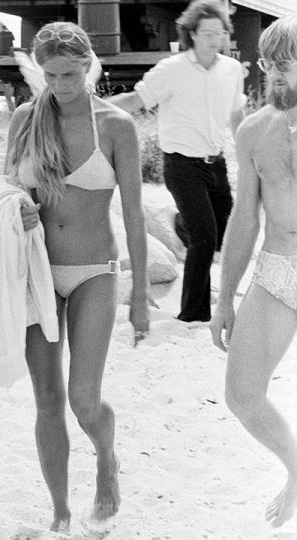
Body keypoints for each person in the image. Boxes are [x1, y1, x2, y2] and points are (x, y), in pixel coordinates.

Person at [5, 22, 150, 533]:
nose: (61, 84)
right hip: (37, 273)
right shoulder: (26, 118)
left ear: (89, 67)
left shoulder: (115, 126)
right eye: (50, 75)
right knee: (47, 399)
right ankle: (61, 513)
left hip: (94, 271)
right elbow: (4, 190)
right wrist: (16, 209)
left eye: (70, 73)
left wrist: (139, 296)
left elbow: (133, 213)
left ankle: (106, 462)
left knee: (83, 400)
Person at [210, 15, 297, 529]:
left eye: (286, 66)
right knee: (242, 394)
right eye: (269, 65)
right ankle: (295, 465)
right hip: (277, 272)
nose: (276, 77)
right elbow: (245, 219)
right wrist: (225, 298)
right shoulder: (253, 129)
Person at [107, 0, 246, 322]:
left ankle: (181, 223)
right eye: (207, 33)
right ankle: (193, 315)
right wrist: (92, 108)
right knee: (205, 237)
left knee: (220, 233)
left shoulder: (231, 69)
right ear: (192, 34)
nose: (214, 39)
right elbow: (136, 100)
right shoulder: (172, 69)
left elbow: (238, 116)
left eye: (219, 33)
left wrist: (247, 151)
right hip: (182, 164)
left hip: (217, 164)